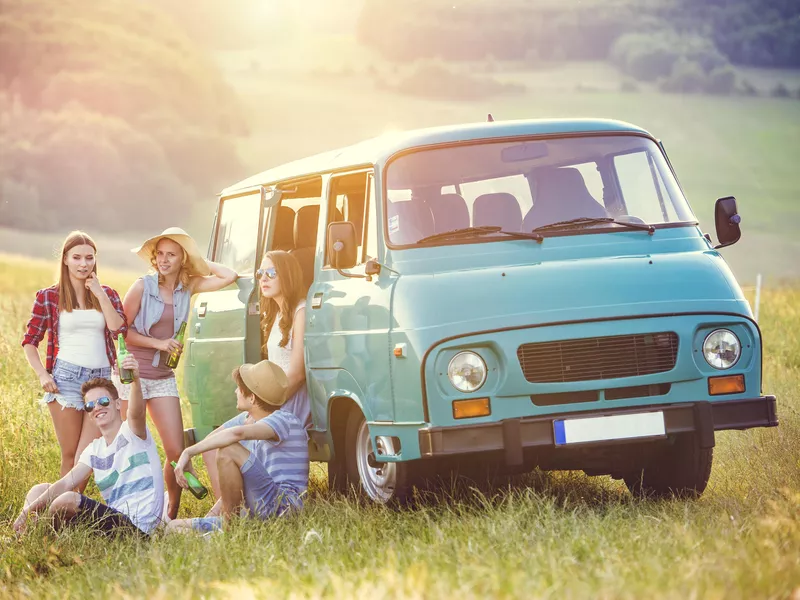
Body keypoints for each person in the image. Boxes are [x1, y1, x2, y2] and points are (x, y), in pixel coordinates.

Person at [118, 227, 237, 520]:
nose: (163, 260)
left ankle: (169, 515)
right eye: (160, 253)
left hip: (162, 378)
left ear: (182, 258)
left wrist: (197, 260)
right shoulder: (141, 286)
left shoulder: (189, 286)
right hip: (131, 376)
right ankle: (128, 511)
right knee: (131, 450)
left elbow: (228, 276)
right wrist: (158, 342)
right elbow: (121, 331)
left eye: (171, 254)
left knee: (175, 452)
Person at [13, 354, 165, 537]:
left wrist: (135, 381)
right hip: (111, 522)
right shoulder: (94, 450)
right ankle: (28, 535)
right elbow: (66, 482)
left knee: (68, 499)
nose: (97, 408)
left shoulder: (133, 432)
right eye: (90, 406)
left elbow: (137, 412)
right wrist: (26, 511)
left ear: (117, 404)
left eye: (103, 401)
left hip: (137, 529)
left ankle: (40, 537)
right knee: (39, 490)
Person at [201, 250, 310, 499]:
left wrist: (262, 409)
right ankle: (227, 508)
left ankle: (231, 514)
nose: (263, 278)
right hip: (269, 401)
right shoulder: (275, 313)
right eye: (260, 273)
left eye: (271, 273)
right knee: (212, 443)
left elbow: (297, 373)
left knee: (225, 442)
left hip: (286, 402)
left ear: (288, 276)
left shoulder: (300, 311)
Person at [21, 231, 127, 480]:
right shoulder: (49, 296)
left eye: (89, 258)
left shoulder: (108, 294)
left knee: (88, 456)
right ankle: (62, 516)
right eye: (77, 257)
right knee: (70, 456)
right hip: (66, 380)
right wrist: (42, 374)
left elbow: (119, 330)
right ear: (65, 259)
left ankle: (67, 510)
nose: (83, 264)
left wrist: (99, 293)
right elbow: (30, 342)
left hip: (100, 382)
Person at [167, 360, 308, 534]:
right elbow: (216, 438)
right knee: (172, 528)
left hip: (282, 507)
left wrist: (188, 452)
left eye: (239, 389)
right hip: (259, 507)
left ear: (252, 398)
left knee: (228, 449)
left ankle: (228, 530)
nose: (235, 391)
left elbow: (234, 435)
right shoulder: (249, 418)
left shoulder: (284, 420)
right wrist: (209, 515)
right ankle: (221, 532)